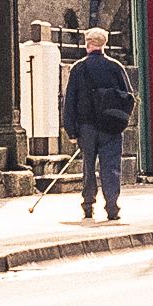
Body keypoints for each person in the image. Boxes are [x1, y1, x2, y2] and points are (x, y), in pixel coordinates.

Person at [61, 27, 134, 223]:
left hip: (87, 126)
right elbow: (129, 97)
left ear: (87, 44)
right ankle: (112, 206)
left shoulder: (78, 68)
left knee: (88, 166)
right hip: (110, 126)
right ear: (105, 44)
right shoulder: (116, 67)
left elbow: (69, 101)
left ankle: (88, 205)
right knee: (111, 166)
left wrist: (71, 130)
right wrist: (121, 119)